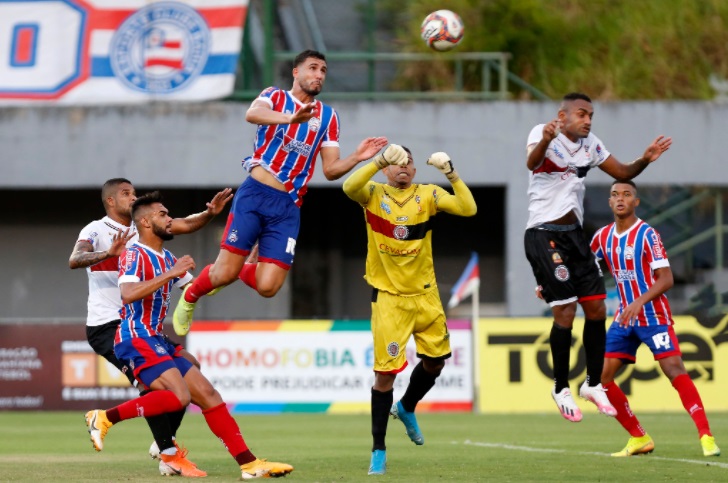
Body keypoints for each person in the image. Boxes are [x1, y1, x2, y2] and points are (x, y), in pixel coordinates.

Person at [172, 49, 388, 335]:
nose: (319, 75)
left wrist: (358, 157)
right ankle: (190, 296)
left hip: (287, 207)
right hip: (255, 194)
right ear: (296, 72)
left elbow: (331, 169)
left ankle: (240, 268)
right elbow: (252, 114)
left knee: (268, 287)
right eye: (313, 68)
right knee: (223, 274)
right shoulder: (274, 96)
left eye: (323, 70)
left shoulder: (328, 117)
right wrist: (291, 120)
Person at [84, 191, 294, 479]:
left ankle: (249, 464)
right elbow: (128, 294)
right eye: (163, 215)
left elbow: (204, 287)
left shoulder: (167, 257)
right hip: (134, 337)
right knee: (177, 396)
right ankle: (105, 417)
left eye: (169, 214)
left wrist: (244, 267)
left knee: (208, 393)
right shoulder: (135, 253)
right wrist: (171, 274)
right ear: (145, 222)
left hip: (155, 337)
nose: (169, 219)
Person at [69, 178, 232, 476]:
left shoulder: (144, 230)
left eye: (134, 192)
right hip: (109, 324)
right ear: (110, 201)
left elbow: (182, 225)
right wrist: (108, 254)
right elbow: (75, 258)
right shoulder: (97, 229)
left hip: (142, 324)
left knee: (187, 369)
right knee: (154, 384)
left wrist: (210, 215)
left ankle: (164, 443)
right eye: (126, 193)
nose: (133, 197)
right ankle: (167, 451)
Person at [525, 92, 672, 422]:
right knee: (565, 310)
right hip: (543, 233)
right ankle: (560, 386)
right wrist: (546, 140)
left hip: (575, 237)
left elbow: (621, 170)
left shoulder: (590, 144)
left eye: (591, 114)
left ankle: (592, 384)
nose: (588, 120)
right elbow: (532, 164)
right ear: (563, 116)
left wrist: (645, 159)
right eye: (582, 114)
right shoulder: (543, 133)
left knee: (595, 307)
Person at [342, 146, 477, 475]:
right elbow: (348, 187)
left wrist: (450, 172)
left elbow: (468, 208)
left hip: (426, 296)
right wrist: (378, 160)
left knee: (436, 362)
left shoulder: (428, 194)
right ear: (388, 170)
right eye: (397, 163)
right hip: (390, 298)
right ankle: (378, 449)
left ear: (415, 171)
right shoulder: (374, 193)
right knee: (385, 375)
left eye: (409, 163)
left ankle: (407, 406)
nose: (403, 168)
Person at [590, 180, 720, 457]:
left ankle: (706, 435)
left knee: (674, 370)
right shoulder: (602, 237)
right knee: (601, 380)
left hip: (652, 315)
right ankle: (639, 437)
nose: (620, 198)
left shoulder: (647, 234)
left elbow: (667, 278)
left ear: (636, 202)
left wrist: (639, 301)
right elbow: (583, 268)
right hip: (625, 318)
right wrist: (551, 286)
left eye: (626, 194)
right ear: (610, 203)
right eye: (615, 195)